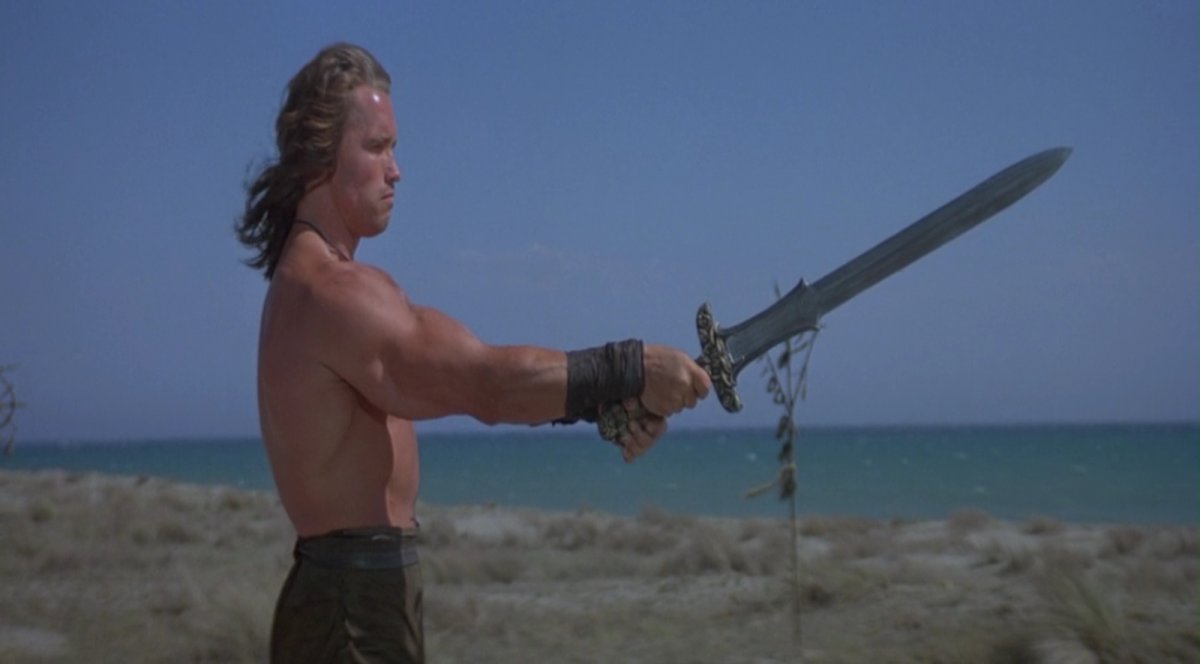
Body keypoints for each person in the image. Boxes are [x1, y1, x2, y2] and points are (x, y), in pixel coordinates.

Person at [236, 43, 711, 663]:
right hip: (350, 613)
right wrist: (633, 368)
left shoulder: (310, 283)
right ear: (316, 156)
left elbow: (471, 382)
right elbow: (486, 385)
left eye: (394, 148)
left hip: (349, 596)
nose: (396, 171)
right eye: (377, 147)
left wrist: (603, 403)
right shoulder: (335, 294)